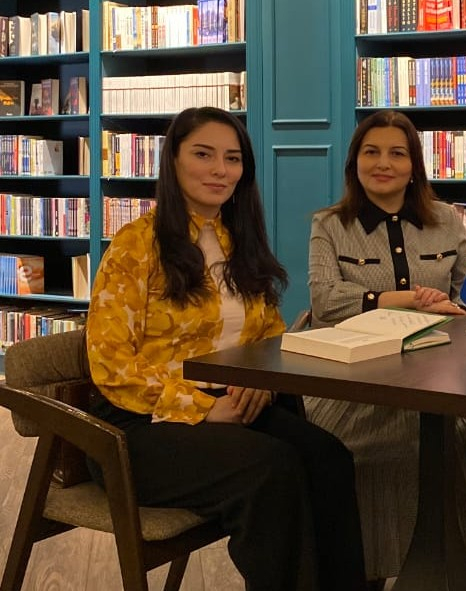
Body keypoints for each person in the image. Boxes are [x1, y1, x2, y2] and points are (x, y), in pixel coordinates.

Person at [86, 107, 366, 591]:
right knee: (271, 470)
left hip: (233, 401)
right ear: (173, 161)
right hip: (139, 424)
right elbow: (111, 365)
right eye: (203, 154)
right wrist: (201, 407)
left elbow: (269, 334)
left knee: (329, 457)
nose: (220, 170)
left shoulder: (238, 242)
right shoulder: (136, 245)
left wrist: (260, 382)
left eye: (232, 159)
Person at [306, 109, 466, 582]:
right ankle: (361, 569)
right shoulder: (329, 224)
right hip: (351, 383)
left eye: (397, 153)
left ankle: (449, 569)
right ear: (354, 162)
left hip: (439, 378)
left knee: (451, 443)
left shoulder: (446, 220)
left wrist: (457, 309)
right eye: (371, 152)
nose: (383, 163)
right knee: (363, 449)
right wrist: (400, 300)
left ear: (414, 166)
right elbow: (324, 301)